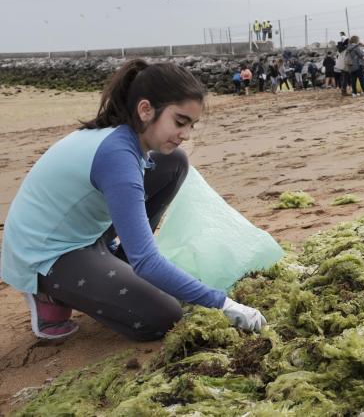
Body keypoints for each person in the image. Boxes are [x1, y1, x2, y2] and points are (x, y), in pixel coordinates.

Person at [0, 60, 268, 341]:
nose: (186, 135)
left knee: (173, 161)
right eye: (179, 122)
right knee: (164, 316)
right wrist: (223, 303)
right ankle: (47, 295)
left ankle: (118, 262)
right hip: (44, 253)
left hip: (84, 232)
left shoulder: (129, 139)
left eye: (191, 125)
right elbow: (148, 262)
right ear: (145, 110)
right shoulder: (117, 156)